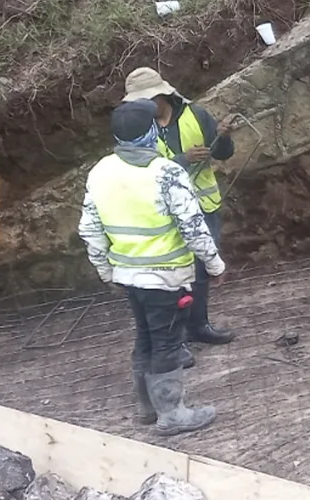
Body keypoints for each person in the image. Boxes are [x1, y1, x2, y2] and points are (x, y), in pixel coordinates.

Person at [79, 100, 227, 435]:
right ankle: (172, 414)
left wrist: (106, 272)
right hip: (166, 275)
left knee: (146, 337)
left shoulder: (100, 171)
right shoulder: (166, 172)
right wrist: (214, 265)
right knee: (166, 343)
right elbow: (193, 227)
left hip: (128, 277)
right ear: (149, 132)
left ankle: (147, 407)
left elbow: (90, 230)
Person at [122, 68, 236, 346]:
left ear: (162, 95)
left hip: (203, 206)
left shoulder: (195, 115)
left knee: (201, 272)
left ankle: (199, 326)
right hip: (162, 213)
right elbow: (140, 169)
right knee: (170, 278)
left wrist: (223, 137)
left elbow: (222, 153)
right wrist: (183, 159)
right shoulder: (138, 127)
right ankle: (176, 340)